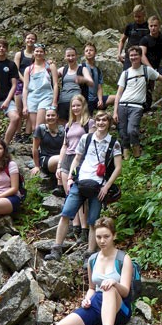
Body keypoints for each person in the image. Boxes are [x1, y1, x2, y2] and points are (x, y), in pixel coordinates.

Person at [7, 217, 133, 325]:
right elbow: (91, 288)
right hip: (97, 304)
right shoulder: (93, 259)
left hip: (119, 307)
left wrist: (114, 282)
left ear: (114, 236)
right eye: (99, 237)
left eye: (106, 237)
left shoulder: (123, 259)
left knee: (109, 289)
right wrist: (87, 299)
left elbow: (125, 290)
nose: (102, 241)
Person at [45, 112, 122, 261]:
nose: (100, 123)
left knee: (93, 221)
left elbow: (118, 167)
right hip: (80, 182)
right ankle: (56, 249)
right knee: (66, 214)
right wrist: (71, 178)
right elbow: (77, 158)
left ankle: (90, 254)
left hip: (98, 186)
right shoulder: (86, 138)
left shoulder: (114, 143)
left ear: (109, 123)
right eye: (98, 120)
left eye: (104, 120)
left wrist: (107, 187)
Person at [113, 46, 162, 159]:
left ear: (141, 56)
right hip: (122, 105)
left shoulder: (147, 70)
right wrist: (115, 112)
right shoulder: (125, 73)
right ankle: (126, 160)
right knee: (123, 133)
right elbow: (118, 94)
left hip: (137, 106)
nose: (133, 57)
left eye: (136, 55)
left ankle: (137, 156)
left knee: (132, 130)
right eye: (131, 55)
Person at [57, 94, 94, 241]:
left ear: (83, 106)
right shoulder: (68, 125)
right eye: (73, 106)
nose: (75, 108)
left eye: (78, 105)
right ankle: (75, 227)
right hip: (68, 159)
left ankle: (85, 229)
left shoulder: (89, 123)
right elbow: (64, 145)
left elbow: (92, 143)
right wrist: (59, 165)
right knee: (69, 194)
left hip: (81, 160)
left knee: (80, 195)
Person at [22, 43, 59, 138]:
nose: (39, 53)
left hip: (46, 96)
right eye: (37, 51)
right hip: (32, 97)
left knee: (39, 126)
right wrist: (25, 105)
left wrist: (54, 101)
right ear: (33, 53)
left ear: (44, 53)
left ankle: (41, 149)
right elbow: (25, 88)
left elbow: (55, 84)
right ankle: (37, 147)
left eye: (41, 51)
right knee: (34, 127)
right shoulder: (28, 69)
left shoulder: (50, 66)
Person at [139, 15, 162, 110]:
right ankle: (145, 107)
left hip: (158, 67)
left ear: (159, 26)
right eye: (151, 26)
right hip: (146, 67)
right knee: (147, 87)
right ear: (148, 26)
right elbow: (142, 55)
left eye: (155, 26)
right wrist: (150, 68)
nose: (153, 28)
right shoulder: (145, 39)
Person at [56, 46, 93, 125]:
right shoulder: (63, 69)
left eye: (73, 55)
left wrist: (83, 79)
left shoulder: (82, 69)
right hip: (63, 101)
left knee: (77, 123)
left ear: (76, 56)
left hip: (76, 101)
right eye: (68, 56)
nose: (70, 58)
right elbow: (49, 76)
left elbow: (91, 82)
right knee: (63, 124)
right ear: (65, 57)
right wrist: (49, 65)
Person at [13, 31, 37, 138]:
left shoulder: (36, 54)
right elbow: (15, 70)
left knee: (29, 110)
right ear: (25, 40)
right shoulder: (19, 54)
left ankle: (27, 134)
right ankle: (18, 134)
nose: (30, 40)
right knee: (18, 110)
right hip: (19, 84)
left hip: (32, 85)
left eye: (32, 39)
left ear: (35, 41)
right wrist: (24, 80)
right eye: (28, 38)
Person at [31, 107, 64, 178]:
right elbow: (35, 148)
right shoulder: (41, 129)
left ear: (57, 116)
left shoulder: (63, 130)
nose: (50, 117)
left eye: (53, 115)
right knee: (61, 159)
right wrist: (36, 166)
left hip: (60, 158)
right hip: (46, 159)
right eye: (48, 115)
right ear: (45, 117)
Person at [82, 42, 114, 115]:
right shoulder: (81, 67)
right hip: (85, 100)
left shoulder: (98, 70)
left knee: (115, 98)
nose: (89, 52)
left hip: (96, 98)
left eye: (91, 50)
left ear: (95, 52)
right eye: (86, 51)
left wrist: (100, 100)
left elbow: (99, 87)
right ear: (84, 54)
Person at [117, 4, 150, 70]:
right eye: (135, 16)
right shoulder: (130, 26)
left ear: (144, 15)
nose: (137, 19)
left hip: (144, 56)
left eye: (139, 16)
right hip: (130, 55)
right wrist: (119, 54)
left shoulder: (149, 26)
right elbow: (122, 40)